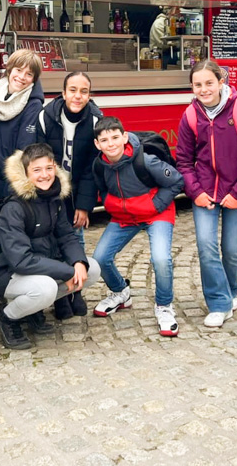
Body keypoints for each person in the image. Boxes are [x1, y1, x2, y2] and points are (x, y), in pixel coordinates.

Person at [176, 60, 237, 328]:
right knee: (206, 246)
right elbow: (183, 161)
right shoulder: (190, 116)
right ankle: (219, 304)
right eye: (197, 85)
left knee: (232, 249)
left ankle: (231, 290)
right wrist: (195, 192)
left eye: (209, 83)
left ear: (221, 82)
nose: (203, 89)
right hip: (204, 192)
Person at [0, 143, 101, 350]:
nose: (44, 175)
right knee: (45, 289)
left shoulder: (54, 198)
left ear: (55, 168)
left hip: (42, 265)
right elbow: (20, 260)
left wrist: (78, 262)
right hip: (8, 273)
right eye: (37, 170)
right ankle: (7, 317)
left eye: (49, 168)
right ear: (25, 173)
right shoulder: (14, 208)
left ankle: (32, 310)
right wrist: (67, 271)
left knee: (91, 269)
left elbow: (67, 235)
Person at [90, 117, 184, 336]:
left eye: (115, 137)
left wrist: (155, 205)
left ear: (124, 137)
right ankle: (121, 293)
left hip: (156, 213)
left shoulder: (146, 161)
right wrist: (110, 203)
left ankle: (164, 306)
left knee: (161, 259)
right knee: (100, 258)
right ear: (97, 144)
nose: (111, 144)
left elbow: (177, 181)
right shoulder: (99, 165)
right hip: (124, 216)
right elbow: (103, 189)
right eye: (104, 140)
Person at [0, 49, 45, 318]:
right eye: (18, 70)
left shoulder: (32, 105)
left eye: (29, 74)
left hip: (9, 186)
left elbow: (23, 153)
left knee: (6, 242)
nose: (22, 77)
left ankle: (1, 295)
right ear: (9, 69)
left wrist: (12, 193)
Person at [37, 71, 101, 319]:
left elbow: (91, 169)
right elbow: (38, 159)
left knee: (77, 238)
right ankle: (61, 296)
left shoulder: (95, 120)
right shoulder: (46, 117)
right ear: (63, 93)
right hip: (49, 190)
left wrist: (84, 206)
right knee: (52, 240)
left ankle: (77, 290)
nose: (77, 96)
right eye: (72, 90)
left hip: (76, 192)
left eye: (84, 91)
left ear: (89, 95)